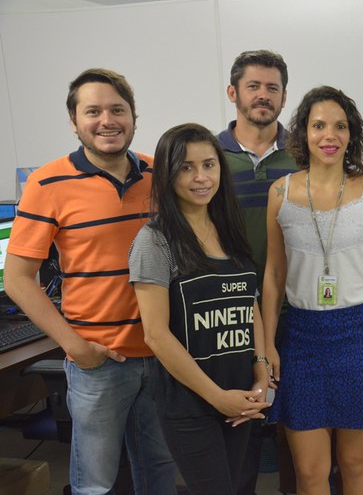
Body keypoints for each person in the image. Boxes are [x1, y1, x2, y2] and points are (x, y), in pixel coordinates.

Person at [4, 68, 177, 494]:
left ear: (133, 117)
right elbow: (18, 279)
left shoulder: (160, 174)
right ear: (74, 120)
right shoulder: (47, 183)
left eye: (118, 110)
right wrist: (76, 347)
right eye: (93, 111)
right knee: (95, 484)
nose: (107, 121)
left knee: (159, 474)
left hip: (162, 354)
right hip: (98, 363)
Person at [262, 86, 363, 495]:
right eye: (319, 126)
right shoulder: (281, 193)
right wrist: (267, 345)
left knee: (355, 462)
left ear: (351, 134)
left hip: (361, 335)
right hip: (301, 339)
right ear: (303, 133)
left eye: (340, 126)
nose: (330, 135)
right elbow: (274, 274)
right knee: (310, 471)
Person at [128, 123, 271, 494]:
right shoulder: (155, 240)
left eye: (209, 165)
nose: (201, 177)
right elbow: (156, 335)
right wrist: (217, 398)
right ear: (167, 174)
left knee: (238, 487)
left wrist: (261, 370)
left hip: (241, 394)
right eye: (186, 167)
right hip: (191, 403)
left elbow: (249, 304)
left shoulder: (229, 228)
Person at [217, 49, 297, 494]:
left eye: (272, 88)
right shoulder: (209, 158)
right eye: (253, 86)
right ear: (233, 93)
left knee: (299, 432)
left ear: (284, 96)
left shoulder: (305, 154)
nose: (263, 95)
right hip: (232, 316)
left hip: (296, 312)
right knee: (241, 428)